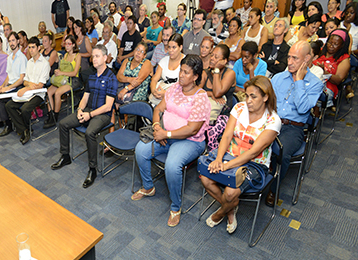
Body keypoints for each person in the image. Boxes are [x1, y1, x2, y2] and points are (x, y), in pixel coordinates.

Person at [132, 55, 210, 227]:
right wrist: (157, 127)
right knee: (141, 149)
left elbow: (192, 129)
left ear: (195, 77)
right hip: (165, 135)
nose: (181, 75)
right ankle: (148, 187)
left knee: (172, 165)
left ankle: (176, 207)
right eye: (181, 70)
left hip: (190, 141)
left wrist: (165, 135)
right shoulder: (175, 88)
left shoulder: (200, 97)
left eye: (186, 72)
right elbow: (158, 109)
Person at [201, 76, 281, 234]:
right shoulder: (238, 108)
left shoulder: (273, 120)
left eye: (253, 96)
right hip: (229, 155)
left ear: (265, 97)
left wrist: (226, 166)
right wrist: (218, 159)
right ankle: (230, 209)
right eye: (247, 95)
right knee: (205, 178)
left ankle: (221, 213)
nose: (248, 100)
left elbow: (253, 152)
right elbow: (226, 136)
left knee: (230, 192)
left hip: (255, 163)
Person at [51, 45, 117, 189]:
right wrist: (80, 109)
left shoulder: (111, 77)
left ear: (105, 58)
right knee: (63, 124)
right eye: (93, 56)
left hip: (103, 115)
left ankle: (92, 169)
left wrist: (89, 115)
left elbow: (108, 106)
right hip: (88, 110)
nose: (94, 59)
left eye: (97, 56)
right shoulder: (91, 76)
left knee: (89, 132)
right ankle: (65, 156)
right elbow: (85, 97)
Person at [266, 41, 323, 206]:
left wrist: (299, 81)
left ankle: (273, 189)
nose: (289, 62)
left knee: (281, 152)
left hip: (293, 127)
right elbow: (268, 102)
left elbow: (303, 108)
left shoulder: (315, 83)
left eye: (295, 58)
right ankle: (254, 176)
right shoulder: (278, 78)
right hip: (273, 120)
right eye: (289, 57)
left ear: (307, 59)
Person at [6, 37, 50, 145]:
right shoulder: (29, 62)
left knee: (25, 109)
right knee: (9, 105)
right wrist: (28, 85)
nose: (31, 50)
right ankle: (24, 129)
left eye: (33, 47)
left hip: (38, 94)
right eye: (29, 47)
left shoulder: (45, 63)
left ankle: (25, 131)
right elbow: (25, 81)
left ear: (39, 48)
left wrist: (27, 87)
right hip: (28, 92)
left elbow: (40, 85)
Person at [0, 32, 27, 136]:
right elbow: (8, 76)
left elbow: (21, 79)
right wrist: (3, 86)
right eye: (9, 41)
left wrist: (8, 87)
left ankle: (8, 125)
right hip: (10, 85)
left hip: (17, 86)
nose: (11, 43)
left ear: (18, 41)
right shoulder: (10, 58)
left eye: (13, 40)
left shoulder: (22, 58)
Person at [44, 35, 81, 129]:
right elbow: (61, 68)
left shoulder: (77, 56)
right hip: (63, 79)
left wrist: (61, 72)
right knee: (48, 92)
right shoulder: (65, 55)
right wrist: (58, 71)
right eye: (66, 43)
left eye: (69, 44)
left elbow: (74, 73)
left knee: (57, 93)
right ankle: (50, 114)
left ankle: (55, 117)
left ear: (73, 45)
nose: (67, 46)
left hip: (72, 80)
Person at [313, 29, 351, 107]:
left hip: (328, 86)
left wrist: (324, 72)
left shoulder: (344, 59)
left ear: (342, 46)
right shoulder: (320, 52)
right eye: (330, 42)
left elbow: (338, 80)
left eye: (335, 44)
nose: (331, 46)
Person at [202, 44, 237, 121]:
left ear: (224, 61)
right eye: (212, 55)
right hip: (204, 111)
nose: (212, 59)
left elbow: (217, 93)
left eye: (216, 57)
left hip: (222, 116)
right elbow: (196, 92)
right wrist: (210, 94)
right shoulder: (205, 72)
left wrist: (216, 70)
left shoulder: (230, 74)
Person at [149, 34, 184, 106]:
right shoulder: (164, 60)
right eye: (169, 47)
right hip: (161, 89)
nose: (170, 50)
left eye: (174, 47)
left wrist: (166, 93)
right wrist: (153, 91)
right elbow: (155, 79)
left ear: (180, 47)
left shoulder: (186, 62)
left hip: (177, 94)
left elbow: (186, 86)